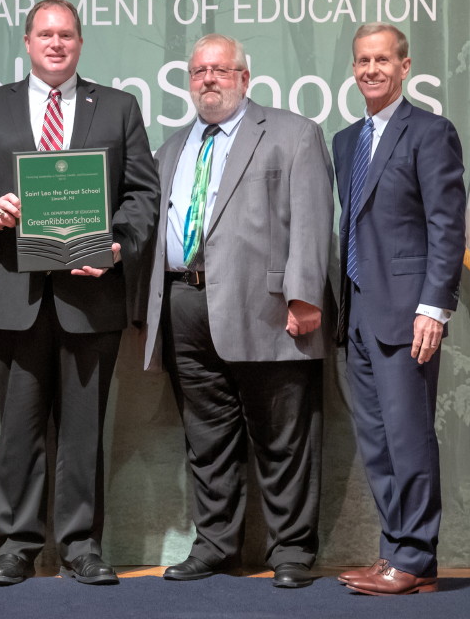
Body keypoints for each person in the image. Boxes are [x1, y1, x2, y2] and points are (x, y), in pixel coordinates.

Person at [0, 0, 159, 586]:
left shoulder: (117, 107)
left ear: (80, 43)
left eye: (66, 34)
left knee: (84, 429)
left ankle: (82, 546)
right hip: (12, 295)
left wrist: (114, 246)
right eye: (45, 34)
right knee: (18, 429)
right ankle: (16, 545)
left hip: (92, 297)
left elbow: (143, 195)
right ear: (28, 41)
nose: (56, 43)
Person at [142, 34, 332, 588]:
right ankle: (217, 545)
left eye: (221, 70)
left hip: (270, 309)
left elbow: (315, 218)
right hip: (185, 305)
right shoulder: (171, 149)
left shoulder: (293, 134)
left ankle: (292, 551)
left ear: (245, 78)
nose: (209, 80)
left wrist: (305, 295)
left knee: (283, 437)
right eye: (200, 71)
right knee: (207, 440)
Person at [334, 23, 466, 596]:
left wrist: (433, 308)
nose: (371, 69)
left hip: (409, 313)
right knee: (379, 444)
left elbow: (447, 227)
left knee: (409, 439)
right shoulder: (345, 141)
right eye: (363, 60)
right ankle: (403, 558)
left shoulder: (431, 132)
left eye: (382, 60)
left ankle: (412, 556)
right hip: (358, 312)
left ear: (405, 67)